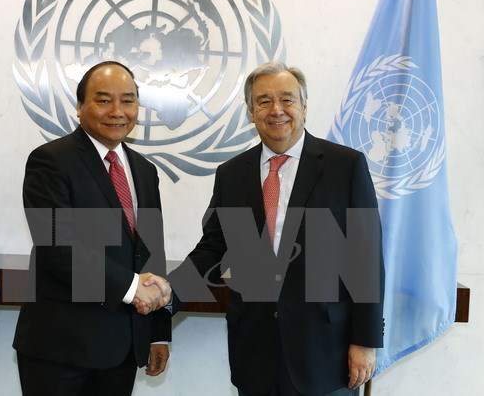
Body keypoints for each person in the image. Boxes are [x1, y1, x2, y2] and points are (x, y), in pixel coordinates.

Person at [157, 62, 384, 395]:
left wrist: (365, 341)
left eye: (287, 99)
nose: (276, 109)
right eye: (264, 101)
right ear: (251, 112)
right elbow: (213, 250)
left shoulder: (345, 166)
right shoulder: (232, 174)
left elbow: (366, 260)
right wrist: (168, 293)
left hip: (325, 352)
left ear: (304, 107)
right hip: (255, 351)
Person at [13, 61, 172, 396]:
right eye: (103, 100)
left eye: (128, 101)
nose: (117, 111)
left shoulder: (144, 171)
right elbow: (58, 248)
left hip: (123, 349)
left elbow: (149, 254)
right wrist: (132, 287)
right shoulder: (51, 161)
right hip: (60, 350)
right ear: (80, 107)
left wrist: (157, 331)